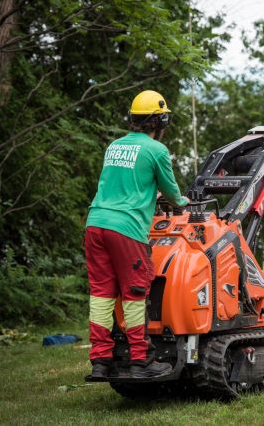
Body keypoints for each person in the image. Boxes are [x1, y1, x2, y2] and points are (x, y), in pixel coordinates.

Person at [85, 90, 189, 379]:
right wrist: (180, 202)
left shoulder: (114, 146)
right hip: (126, 228)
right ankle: (141, 361)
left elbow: (121, 184)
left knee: (102, 295)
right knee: (134, 293)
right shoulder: (157, 150)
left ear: (133, 119)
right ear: (162, 121)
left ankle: (101, 360)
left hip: (95, 224)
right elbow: (171, 191)